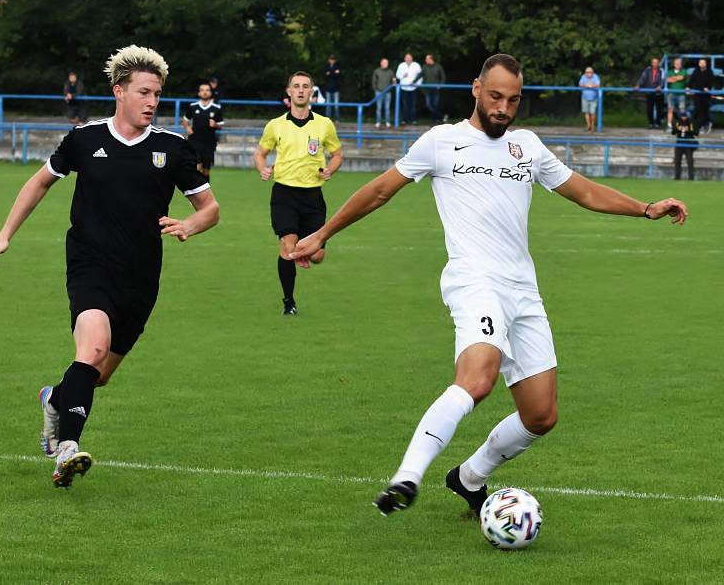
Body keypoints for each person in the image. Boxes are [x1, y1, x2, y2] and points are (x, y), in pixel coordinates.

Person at [289, 53, 688, 518]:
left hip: (524, 288)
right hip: (473, 279)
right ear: (476, 88)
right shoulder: (442, 141)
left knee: (541, 415)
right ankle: (407, 475)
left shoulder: (527, 147)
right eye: (495, 96)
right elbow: (380, 190)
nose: (503, 107)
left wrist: (645, 208)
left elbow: (582, 189)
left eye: (513, 100)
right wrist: (322, 233)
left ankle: (468, 477)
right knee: (477, 379)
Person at [0, 45, 220, 488]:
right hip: (90, 266)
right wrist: (3, 235)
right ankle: (66, 450)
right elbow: (39, 182)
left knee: (97, 375)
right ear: (119, 91)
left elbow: (210, 207)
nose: (152, 102)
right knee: (91, 351)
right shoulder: (85, 139)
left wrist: (191, 225)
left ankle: (55, 399)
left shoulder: (172, 149)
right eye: (144, 92)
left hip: (141, 278)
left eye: (158, 94)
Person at [254, 71, 344, 315]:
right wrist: (263, 169)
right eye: (296, 86)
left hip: (313, 196)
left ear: (312, 92)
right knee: (288, 246)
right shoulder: (276, 125)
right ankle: (288, 302)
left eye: (306, 86)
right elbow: (260, 154)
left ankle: (303, 253)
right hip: (283, 194)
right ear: (289, 92)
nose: (301, 90)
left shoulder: (325, 124)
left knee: (317, 256)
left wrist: (330, 170)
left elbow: (337, 155)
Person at [181, 82, 225, 178]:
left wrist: (215, 124)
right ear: (199, 93)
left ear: (210, 93)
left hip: (209, 142)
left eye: (207, 90)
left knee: (205, 171)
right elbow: (185, 120)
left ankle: (206, 190)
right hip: (195, 141)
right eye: (202, 90)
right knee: (196, 167)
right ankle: (196, 191)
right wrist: (187, 128)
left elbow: (221, 125)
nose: (204, 92)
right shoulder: (193, 106)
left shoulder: (216, 108)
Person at [634, 57, 665, 129]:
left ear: (658, 63)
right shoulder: (647, 70)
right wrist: (638, 85)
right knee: (649, 109)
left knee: (659, 109)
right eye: (654, 62)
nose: (655, 64)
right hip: (649, 92)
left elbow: (663, 79)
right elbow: (642, 78)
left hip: (659, 93)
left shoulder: (661, 70)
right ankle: (651, 123)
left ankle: (658, 124)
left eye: (656, 62)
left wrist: (660, 86)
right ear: (651, 63)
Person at [687, 58, 715, 134]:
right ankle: (703, 125)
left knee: (704, 110)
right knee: (697, 110)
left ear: (705, 64)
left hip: (706, 95)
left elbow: (711, 81)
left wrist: (707, 87)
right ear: (699, 64)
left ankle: (705, 124)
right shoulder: (696, 71)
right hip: (697, 94)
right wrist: (688, 87)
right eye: (700, 62)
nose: (702, 64)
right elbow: (691, 80)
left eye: (703, 63)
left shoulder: (709, 72)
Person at [396, 53, 422, 125]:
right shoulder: (401, 65)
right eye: (407, 57)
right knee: (405, 104)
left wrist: (418, 84)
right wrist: (403, 75)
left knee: (413, 105)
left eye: (409, 57)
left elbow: (420, 75)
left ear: (412, 58)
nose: (408, 59)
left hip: (414, 88)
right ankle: (404, 120)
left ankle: (413, 120)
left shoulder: (416, 65)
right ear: (404, 59)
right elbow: (397, 75)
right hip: (404, 87)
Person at [672, 110, 698, 180]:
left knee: (690, 161)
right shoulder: (678, 122)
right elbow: (673, 132)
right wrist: (678, 128)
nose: (683, 118)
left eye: (685, 116)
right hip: (679, 144)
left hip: (688, 144)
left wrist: (687, 129)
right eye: (682, 116)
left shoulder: (690, 122)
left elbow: (695, 132)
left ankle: (691, 177)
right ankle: (677, 177)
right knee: (677, 161)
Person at [422, 54, 447, 124]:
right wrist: (413, 82)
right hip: (427, 90)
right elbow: (420, 75)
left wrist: (440, 85)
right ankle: (442, 117)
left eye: (427, 59)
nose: (425, 60)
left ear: (431, 59)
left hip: (436, 90)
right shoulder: (424, 67)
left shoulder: (438, 67)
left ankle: (434, 121)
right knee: (428, 105)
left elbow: (443, 77)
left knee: (435, 105)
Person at [665, 57, 688, 131]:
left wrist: (673, 78)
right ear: (674, 64)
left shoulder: (684, 71)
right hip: (671, 94)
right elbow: (667, 80)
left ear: (681, 64)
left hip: (681, 94)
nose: (677, 65)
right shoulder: (670, 71)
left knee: (682, 110)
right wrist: (675, 78)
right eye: (676, 63)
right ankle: (669, 125)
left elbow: (681, 77)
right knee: (670, 109)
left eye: (679, 63)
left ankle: (683, 126)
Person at [373, 58, 395, 128]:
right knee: (378, 108)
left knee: (387, 108)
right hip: (379, 92)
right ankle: (378, 122)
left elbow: (394, 81)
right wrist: (376, 90)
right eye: (384, 63)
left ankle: (387, 122)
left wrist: (394, 83)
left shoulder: (390, 71)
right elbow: (374, 81)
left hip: (388, 92)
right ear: (381, 63)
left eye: (387, 63)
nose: (386, 64)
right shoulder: (377, 71)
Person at [578, 66, 600, 132]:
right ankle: (588, 125)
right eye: (587, 72)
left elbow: (597, 85)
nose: (588, 73)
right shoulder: (583, 76)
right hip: (585, 97)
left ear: (592, 72)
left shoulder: (596, 76)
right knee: (586, 112)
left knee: (592, 112)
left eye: (590, 72)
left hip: (594, 97)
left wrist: (591, 86)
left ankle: (593, 126)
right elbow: (580, 84)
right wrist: (587, 85)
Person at [323, 54, 341, 121]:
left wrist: (329, 73)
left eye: (333, 59)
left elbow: (338, 76)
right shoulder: (326, 67)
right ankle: (328, 119)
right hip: (328, 88)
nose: (332, 61)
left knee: (336, 105)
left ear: (335, 60)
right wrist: (333, 73)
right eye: (331, 59)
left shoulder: (338, 66)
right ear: (329, 60)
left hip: (336, 88)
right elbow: (324, 76)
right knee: (328, 105)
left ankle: (337, 119)